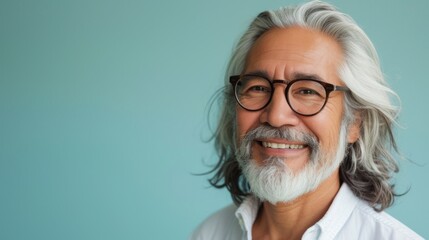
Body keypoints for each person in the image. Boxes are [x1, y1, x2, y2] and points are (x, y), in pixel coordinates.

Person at [190, 1, 423, 240]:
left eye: (308, 91)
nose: (276, 116)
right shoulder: (210, 233)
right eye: (258, 87)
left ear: (354, 123)